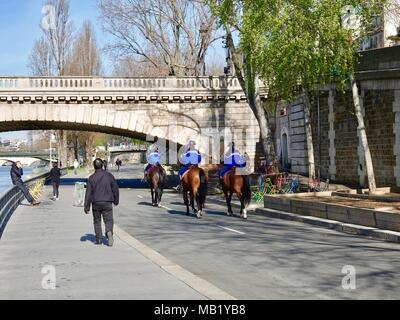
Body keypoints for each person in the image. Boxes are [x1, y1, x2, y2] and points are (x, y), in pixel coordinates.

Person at [84, 158, 119, 246]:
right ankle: (109, 231)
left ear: (94, 166)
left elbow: (88, 193)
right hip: (107, 201)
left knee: (97, 221)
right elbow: (115, 188)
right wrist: (116, 200)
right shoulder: (109, 176)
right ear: (102, 165)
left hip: (96, 202)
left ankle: (98, 239)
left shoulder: (91, 178)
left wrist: (86, 206)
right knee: (108, 219)